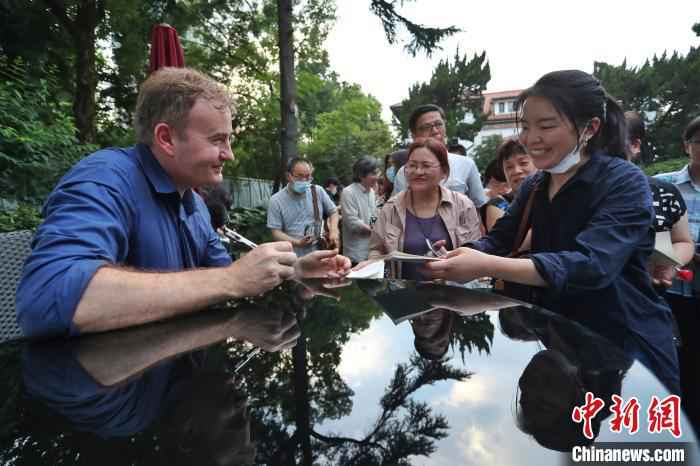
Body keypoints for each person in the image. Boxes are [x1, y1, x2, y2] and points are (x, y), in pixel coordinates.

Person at [15, 67, 350, 338]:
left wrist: (295, 271)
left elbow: (224, 275)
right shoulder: (103, 181)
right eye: (217, 140)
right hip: (115, 411)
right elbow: (46, 300)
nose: (229, 154)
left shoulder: (192, 201)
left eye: (228, 140)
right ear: (166, 139)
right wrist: (231, 280)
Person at [423, 70, 679, 387]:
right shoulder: (536, 185)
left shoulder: (624, 182)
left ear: (590, 128)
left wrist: (484, 265)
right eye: (526, 127)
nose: (532, 139)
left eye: (546, 126)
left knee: (623, 435)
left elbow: (591, 265)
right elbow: (500, 240)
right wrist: (460, 256)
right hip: (564, 340)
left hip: (628, 347)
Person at [364, 137, 481, 279]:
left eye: (426, 165)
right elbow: (375, 250)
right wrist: (373, 265)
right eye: (412, 165)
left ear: (444, 171)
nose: (418, 172)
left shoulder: (463, 206)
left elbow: (475, 256)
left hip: (453, 295)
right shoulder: (391, 209)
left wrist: (450, 259)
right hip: (404, 295)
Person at [654, 115, 700, 431]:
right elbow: (656, 234)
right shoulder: (665, 185)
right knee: (681, 368)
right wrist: (681, 255)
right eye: (699, 142)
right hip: (673, 294)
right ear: (687, 146)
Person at [625, 112, 694, 288]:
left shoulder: (663, 191)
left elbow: (680, 241)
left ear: (635, 145)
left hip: (650, 297)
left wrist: (668, 262)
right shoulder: (567, 190)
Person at [393, 104, 488, 208]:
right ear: (414, 135)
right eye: (426, 127)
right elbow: (398, 211)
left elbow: (480, 207)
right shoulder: (404, 173)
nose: (434, 131)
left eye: (438, 124)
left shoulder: (466, 165)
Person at [267, 157, 341, 256]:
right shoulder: (276, 200)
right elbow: (276, 232)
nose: (304, 180)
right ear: (289, 176)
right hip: (292, 255)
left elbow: (333, 211)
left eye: (308, 177)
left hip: (319, 250)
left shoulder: (317, 191)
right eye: (299, 176)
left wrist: (334, 230)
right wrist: (298, 242)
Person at [482, 139, 537, 233]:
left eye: (523, 163)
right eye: (509, 167)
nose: (516, 171)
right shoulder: (498, 204)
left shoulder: (553, 196)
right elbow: (503, 242)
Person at [340, 157, 379, 264]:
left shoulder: (371, 192)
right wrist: (376, 232)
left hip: (371, 252)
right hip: (355, 253)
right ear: (361, 175)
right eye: (373, 174)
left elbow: (373, 217)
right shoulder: (348, 192)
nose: (377, 177)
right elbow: (353, 222)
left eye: (377, 173)